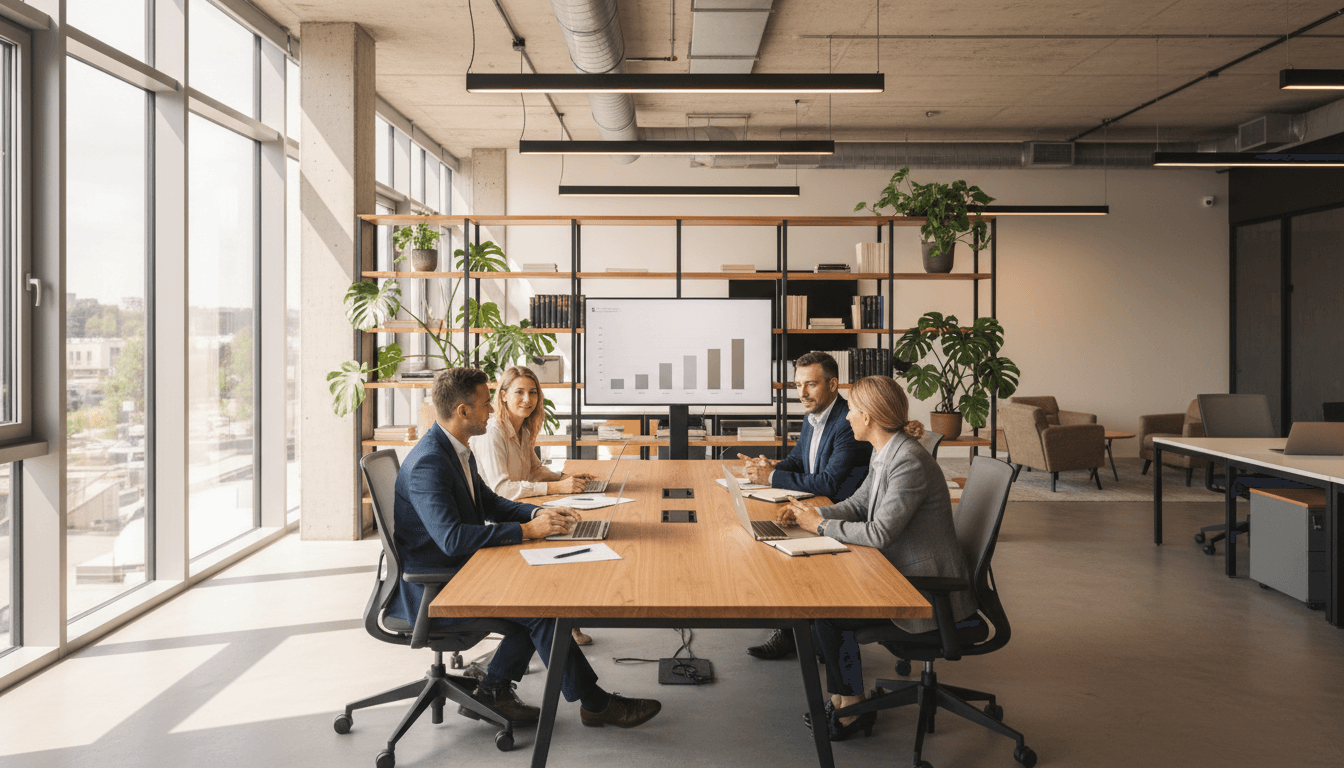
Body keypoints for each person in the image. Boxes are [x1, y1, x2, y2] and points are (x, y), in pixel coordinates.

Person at [389, 367, 661, 729]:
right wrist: (527, 531)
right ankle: (594, 704)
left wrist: (540, 513)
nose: (492, 409)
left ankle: (494, 689)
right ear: (463, 412)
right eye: (487, 403)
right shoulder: (429, 462)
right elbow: (451, 539)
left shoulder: (455, 449)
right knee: (541, 609)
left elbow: (491, 503)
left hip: (462, 568)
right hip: (436, 586)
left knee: (541, 602)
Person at [775, 375, 974, 741]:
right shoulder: (887, 452)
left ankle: (852, 709)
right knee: (824, 606)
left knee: (830, 614)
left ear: (868, 417)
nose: (847, 417)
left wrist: (819, 527)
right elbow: (858, 505)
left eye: (851, 410)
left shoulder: (908, 461)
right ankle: (844, 700)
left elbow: (880, 533)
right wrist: (807, 514)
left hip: (926, 592)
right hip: (902, 572)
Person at [741, 351, 871, 660]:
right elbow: (800, 461)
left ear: (832, 384)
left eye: (810, 384)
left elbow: (828, 483)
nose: (801, 393)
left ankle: (795, 631)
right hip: (814, 503)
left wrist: (771, 476)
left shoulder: (846, 422)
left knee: (773, 542)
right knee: (764, 528)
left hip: (839, 510)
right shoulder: (813, 416)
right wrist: (772, 465)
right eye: (798, 385)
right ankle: (793, 626)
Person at [471, 365, 597, 646]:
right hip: (499, 520)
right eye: (519, 392)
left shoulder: (523, 428)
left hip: (518, 508)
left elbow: (535, 470)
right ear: (502, 396)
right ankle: (558, 623)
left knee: (570, 530)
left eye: (533, 392)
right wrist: (557, 488)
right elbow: (501, 489)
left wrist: (566, 479)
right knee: (562, 540)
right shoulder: (493, 433)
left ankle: (566, 620)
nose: (527, 399)